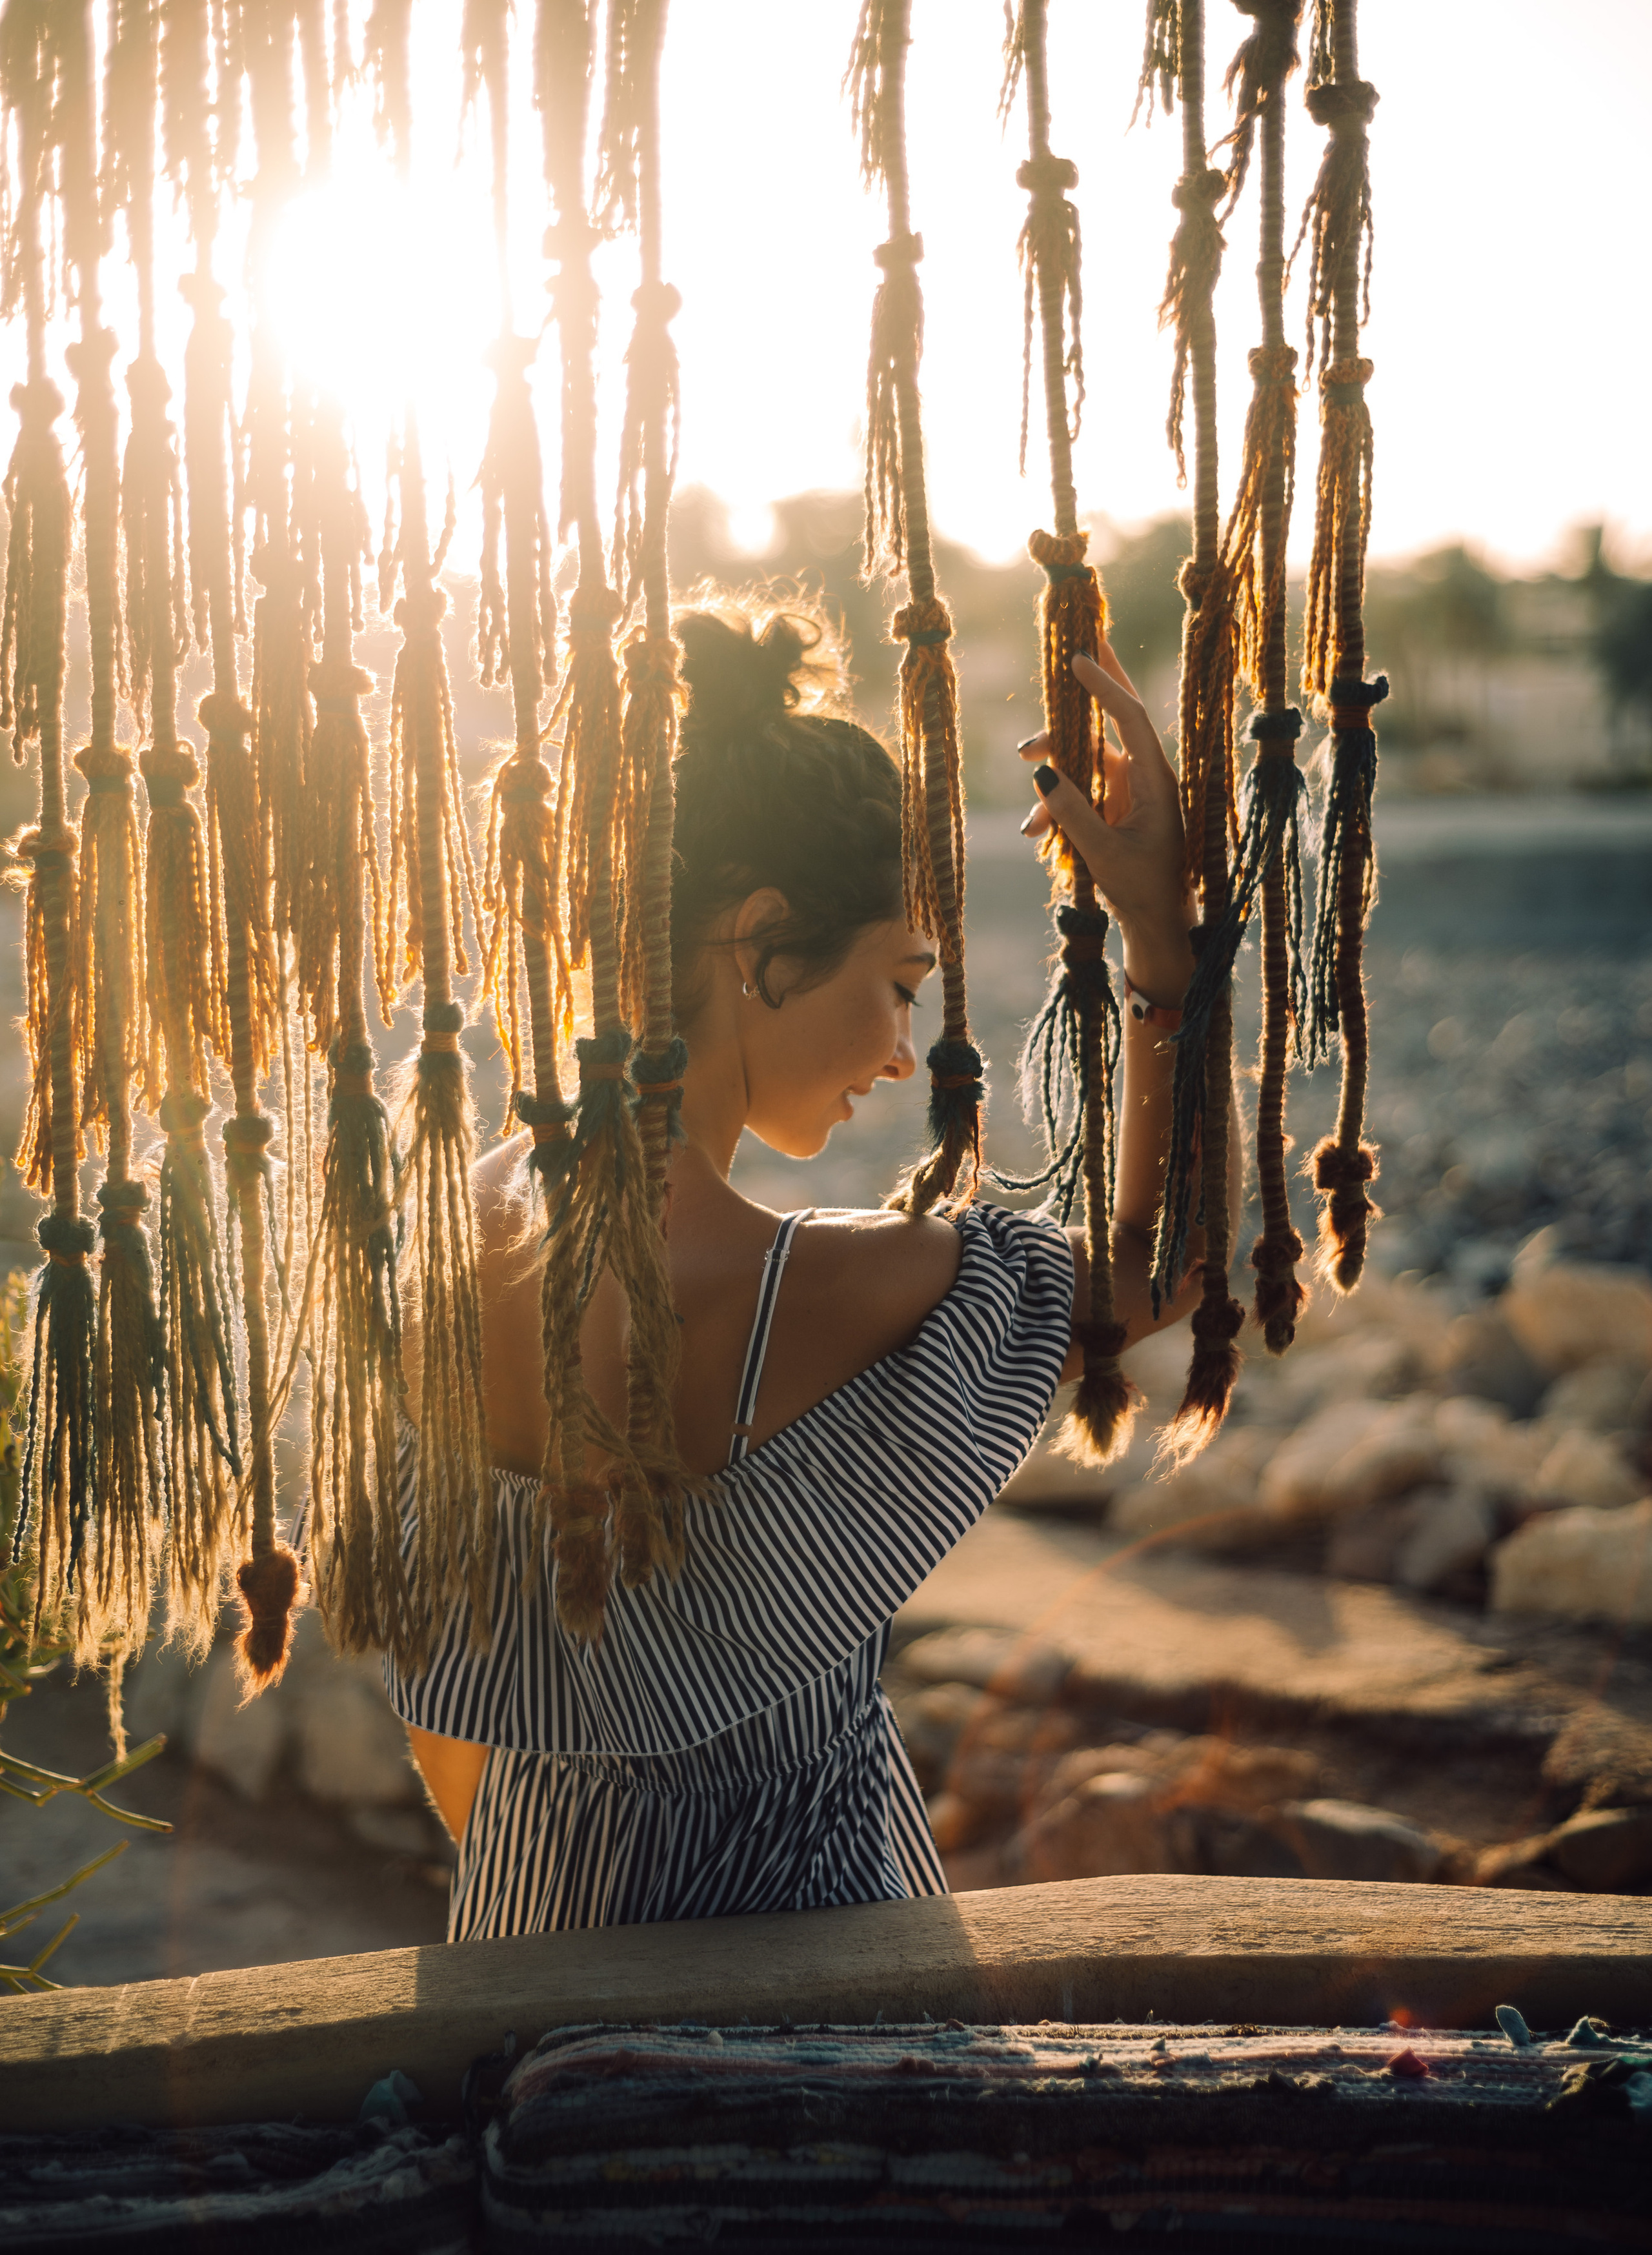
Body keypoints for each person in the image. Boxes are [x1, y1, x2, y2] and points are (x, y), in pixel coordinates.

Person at [392, 598, 1219, 1939]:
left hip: (522, 1941)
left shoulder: (455, 1227)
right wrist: (1162, 943)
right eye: (899, 981)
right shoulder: (815, 1291)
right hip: (824, 1992)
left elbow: (444, 1722)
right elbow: (1176, 1267)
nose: (904, 1051)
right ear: (763, 938)